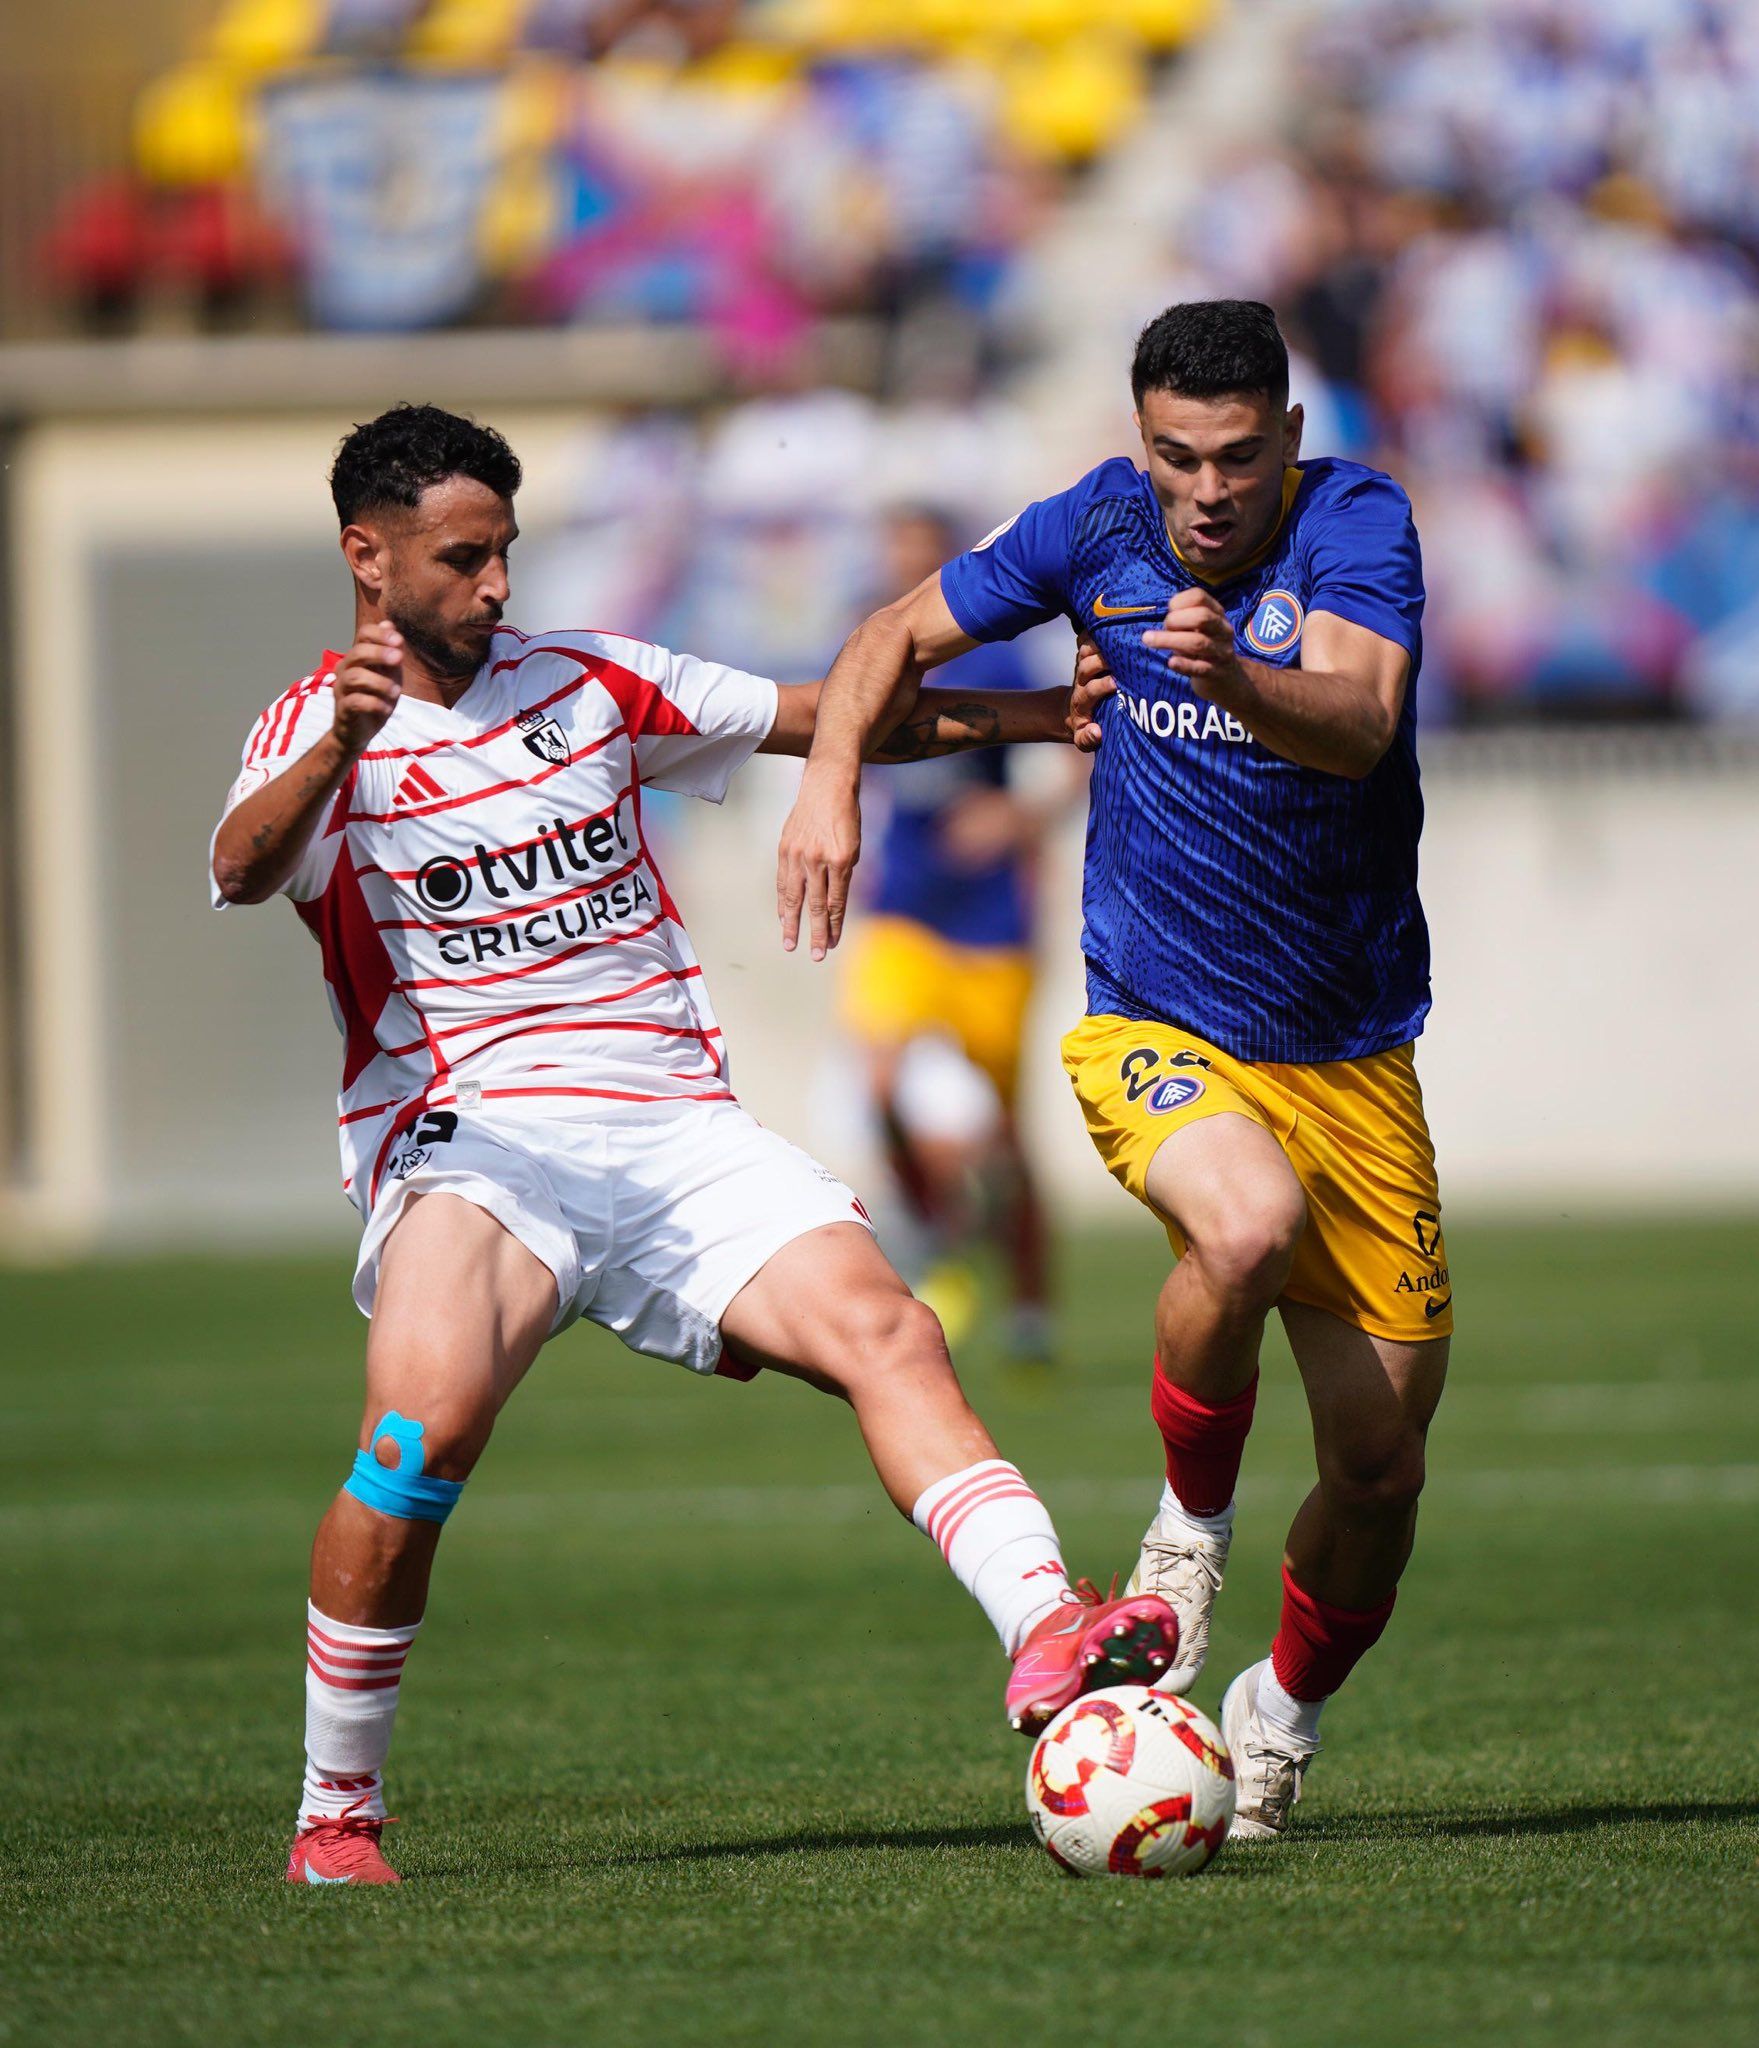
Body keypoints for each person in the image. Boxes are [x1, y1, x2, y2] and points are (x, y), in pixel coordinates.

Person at [209, 404, 1176, 1886]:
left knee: (891, 1329)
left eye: (503, 552)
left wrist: (1047, 715)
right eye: (461, 558)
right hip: (475, 1144)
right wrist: (340, 747)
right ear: (368, 556)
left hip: (674, 1130)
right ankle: (335, 1813)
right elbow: (241, 867)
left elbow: (830, 717)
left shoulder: (590, 680)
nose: (494, 584)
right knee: (413, 1445)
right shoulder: (311, 730)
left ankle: (1045, 1619)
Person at [775, 300, 1450, 1841]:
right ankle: (1183, 1537)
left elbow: (1359, 720)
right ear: (1139, 443)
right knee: (1243, 1227)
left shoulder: (1352, 521)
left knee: (1375, 1474)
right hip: (1157, 1023)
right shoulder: (1091, 524)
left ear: (1285, 438)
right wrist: (827, 788)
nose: (1203, 491)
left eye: (1234, 457)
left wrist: (1233, 682)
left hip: (1352, 1060)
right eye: (1173, 457)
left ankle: (1278, 1713)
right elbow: (888, 640)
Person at [838, 505, 1082, 1373]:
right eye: (892, 556)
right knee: (878, 1081)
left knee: (1005, 1141)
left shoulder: (1000, 656)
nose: (901, 575)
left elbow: (1082, 742)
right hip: (903, 908)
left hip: (989, 926)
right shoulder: (866, 652)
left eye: (918, 558)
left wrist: (1017, 816)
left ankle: (1030, 1307)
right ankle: (938, 1233)